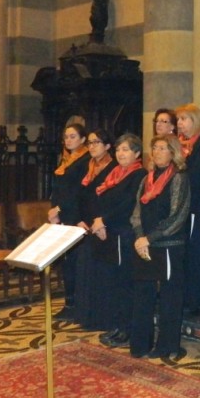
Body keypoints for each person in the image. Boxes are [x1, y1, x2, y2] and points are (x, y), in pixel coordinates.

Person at [130, 134, 191, 359]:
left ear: (173, 152)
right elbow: (137, 211)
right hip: (144, 243)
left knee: (169, 296)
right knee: (143, 294)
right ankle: (140, 344)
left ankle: (167, 345)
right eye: (154, 147)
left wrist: (151, 237)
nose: (156, 152)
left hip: (168, 244)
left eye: (162, 148)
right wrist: (139, 237)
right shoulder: (147, 178)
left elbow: (178, 215)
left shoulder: (179, 177)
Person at [92, 133, 147, 348]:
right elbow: (101, 198)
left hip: (125, 233)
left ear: (136, 153)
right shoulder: (114, 173)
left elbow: (127, 204)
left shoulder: (139, 174)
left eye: (125, 149)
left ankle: (127, 329)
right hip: (108, 232)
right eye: (118, 150)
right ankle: (116, 324)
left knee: (125, 283)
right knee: (111, 282)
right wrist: (99, 222)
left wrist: (103, 220)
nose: (120, 153)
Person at [74, 128, 117, 330]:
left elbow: (110, 200)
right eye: (89, 143)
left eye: (96, 142)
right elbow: (79, 197)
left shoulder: (114, 167)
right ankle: (86, 316)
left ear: (108, 146)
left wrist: (101, 221)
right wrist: (79, 219)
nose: (91, 146)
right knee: (85, 271)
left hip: (103, 227)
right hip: (85, 225)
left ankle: (101, 318)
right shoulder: (86, 166)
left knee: (101, 274)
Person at [175, 103, 200, 315]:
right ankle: (181, 295)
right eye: (179, 119)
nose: (180, 123)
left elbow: (196, 174)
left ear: (195, 120)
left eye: (184, 118)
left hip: (193, 204)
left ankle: (194, 299)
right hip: (178, 205)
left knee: (193, 251)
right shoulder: (179, 144)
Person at [48, 122, 90, 320]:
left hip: (74, 215)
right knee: (66, 262)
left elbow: (77, 192)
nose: (68, 140)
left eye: (73, 136)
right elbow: (59, 188)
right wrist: (53, 208)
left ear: (83, 139)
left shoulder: (84, 160)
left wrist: (59, 208)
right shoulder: (65, 160)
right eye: (66, 137)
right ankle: (68, 302)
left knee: (74, 261)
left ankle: (75, 304)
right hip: (62, 215)